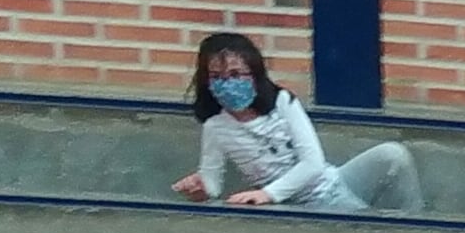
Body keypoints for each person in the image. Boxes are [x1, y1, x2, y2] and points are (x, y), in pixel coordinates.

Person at [172, 32, 421, 212]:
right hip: (297, 207)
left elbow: (313, 163)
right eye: (217, 77)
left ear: (254, 74)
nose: (227, 84)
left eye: (236, 75)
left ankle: (414, 225)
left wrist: (267, 194)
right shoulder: (216, 127)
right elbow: (213, 182)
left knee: (393, 155)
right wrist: (199, 188)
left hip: (332, 185)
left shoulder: (282, 101)